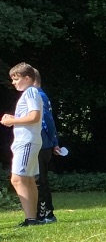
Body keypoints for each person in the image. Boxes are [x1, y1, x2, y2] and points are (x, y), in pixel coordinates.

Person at [2, 63, 44, 227]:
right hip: (28, 140)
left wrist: (12, 121)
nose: (13, 83)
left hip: (26, 141)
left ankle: (30, 219)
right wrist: (14, 118)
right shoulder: (30, 93)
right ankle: (33, 218)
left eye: (16, 79)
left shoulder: (31, 92)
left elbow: (34, 117)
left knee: (17, 179)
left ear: (27, 78)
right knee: (28, 179)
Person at [35, 81, 59, 222]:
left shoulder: (38, 95)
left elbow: (47, 120)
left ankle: (43, 214)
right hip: (43, 143)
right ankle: (47, 213)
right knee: (41, 179)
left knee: (39, 180)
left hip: (42, 143)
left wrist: (54, 142)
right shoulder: (41, 95)